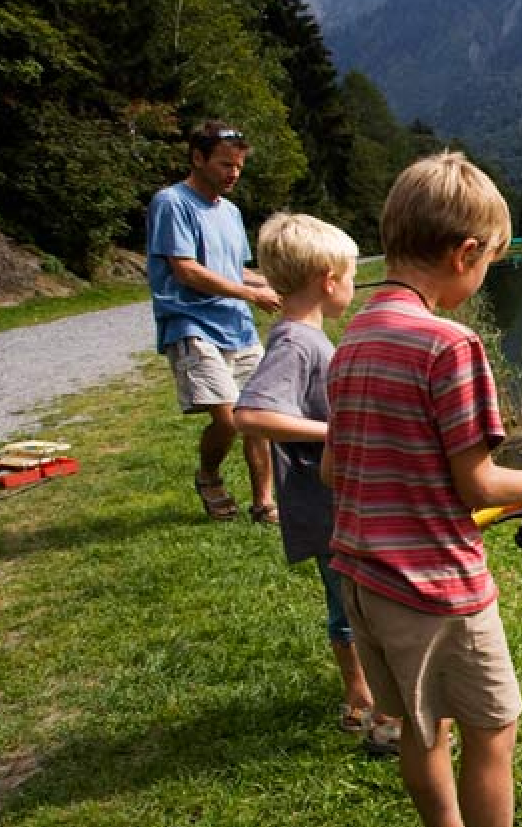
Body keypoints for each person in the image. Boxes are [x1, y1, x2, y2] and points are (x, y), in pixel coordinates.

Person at [323, 152, 522, 827]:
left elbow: (337, 474)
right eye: (489, 265)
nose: (483, 282)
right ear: (464, 253)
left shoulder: (353, 342)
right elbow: (477, 480)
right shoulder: (451, 346)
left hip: (362, 580)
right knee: (491, 731)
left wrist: (463, 500)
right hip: (435, 588)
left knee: (419, 726)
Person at [232, 213, 399, 756]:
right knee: (346, 602)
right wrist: (336, 429)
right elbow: (251, 415)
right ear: (329, 280)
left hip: (335, 497)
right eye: (351, 274)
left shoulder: (303, 335)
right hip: (323, 501)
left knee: (353, 597)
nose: (354, 284)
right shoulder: (297, 343)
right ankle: (360, 698)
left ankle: (367, 692)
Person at [147, 120, 282, 524]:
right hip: (191, 324)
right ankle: (208, 475)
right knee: (228, 418)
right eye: (225, 165)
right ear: (197, 158)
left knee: (258, 415)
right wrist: (252, 295)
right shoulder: (172, 203)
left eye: (238, 166)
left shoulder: (231, 212)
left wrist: (278, 283)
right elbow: (186, 269)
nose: (233, 174)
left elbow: (234, 270)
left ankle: (264, 504)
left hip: (237, 327)